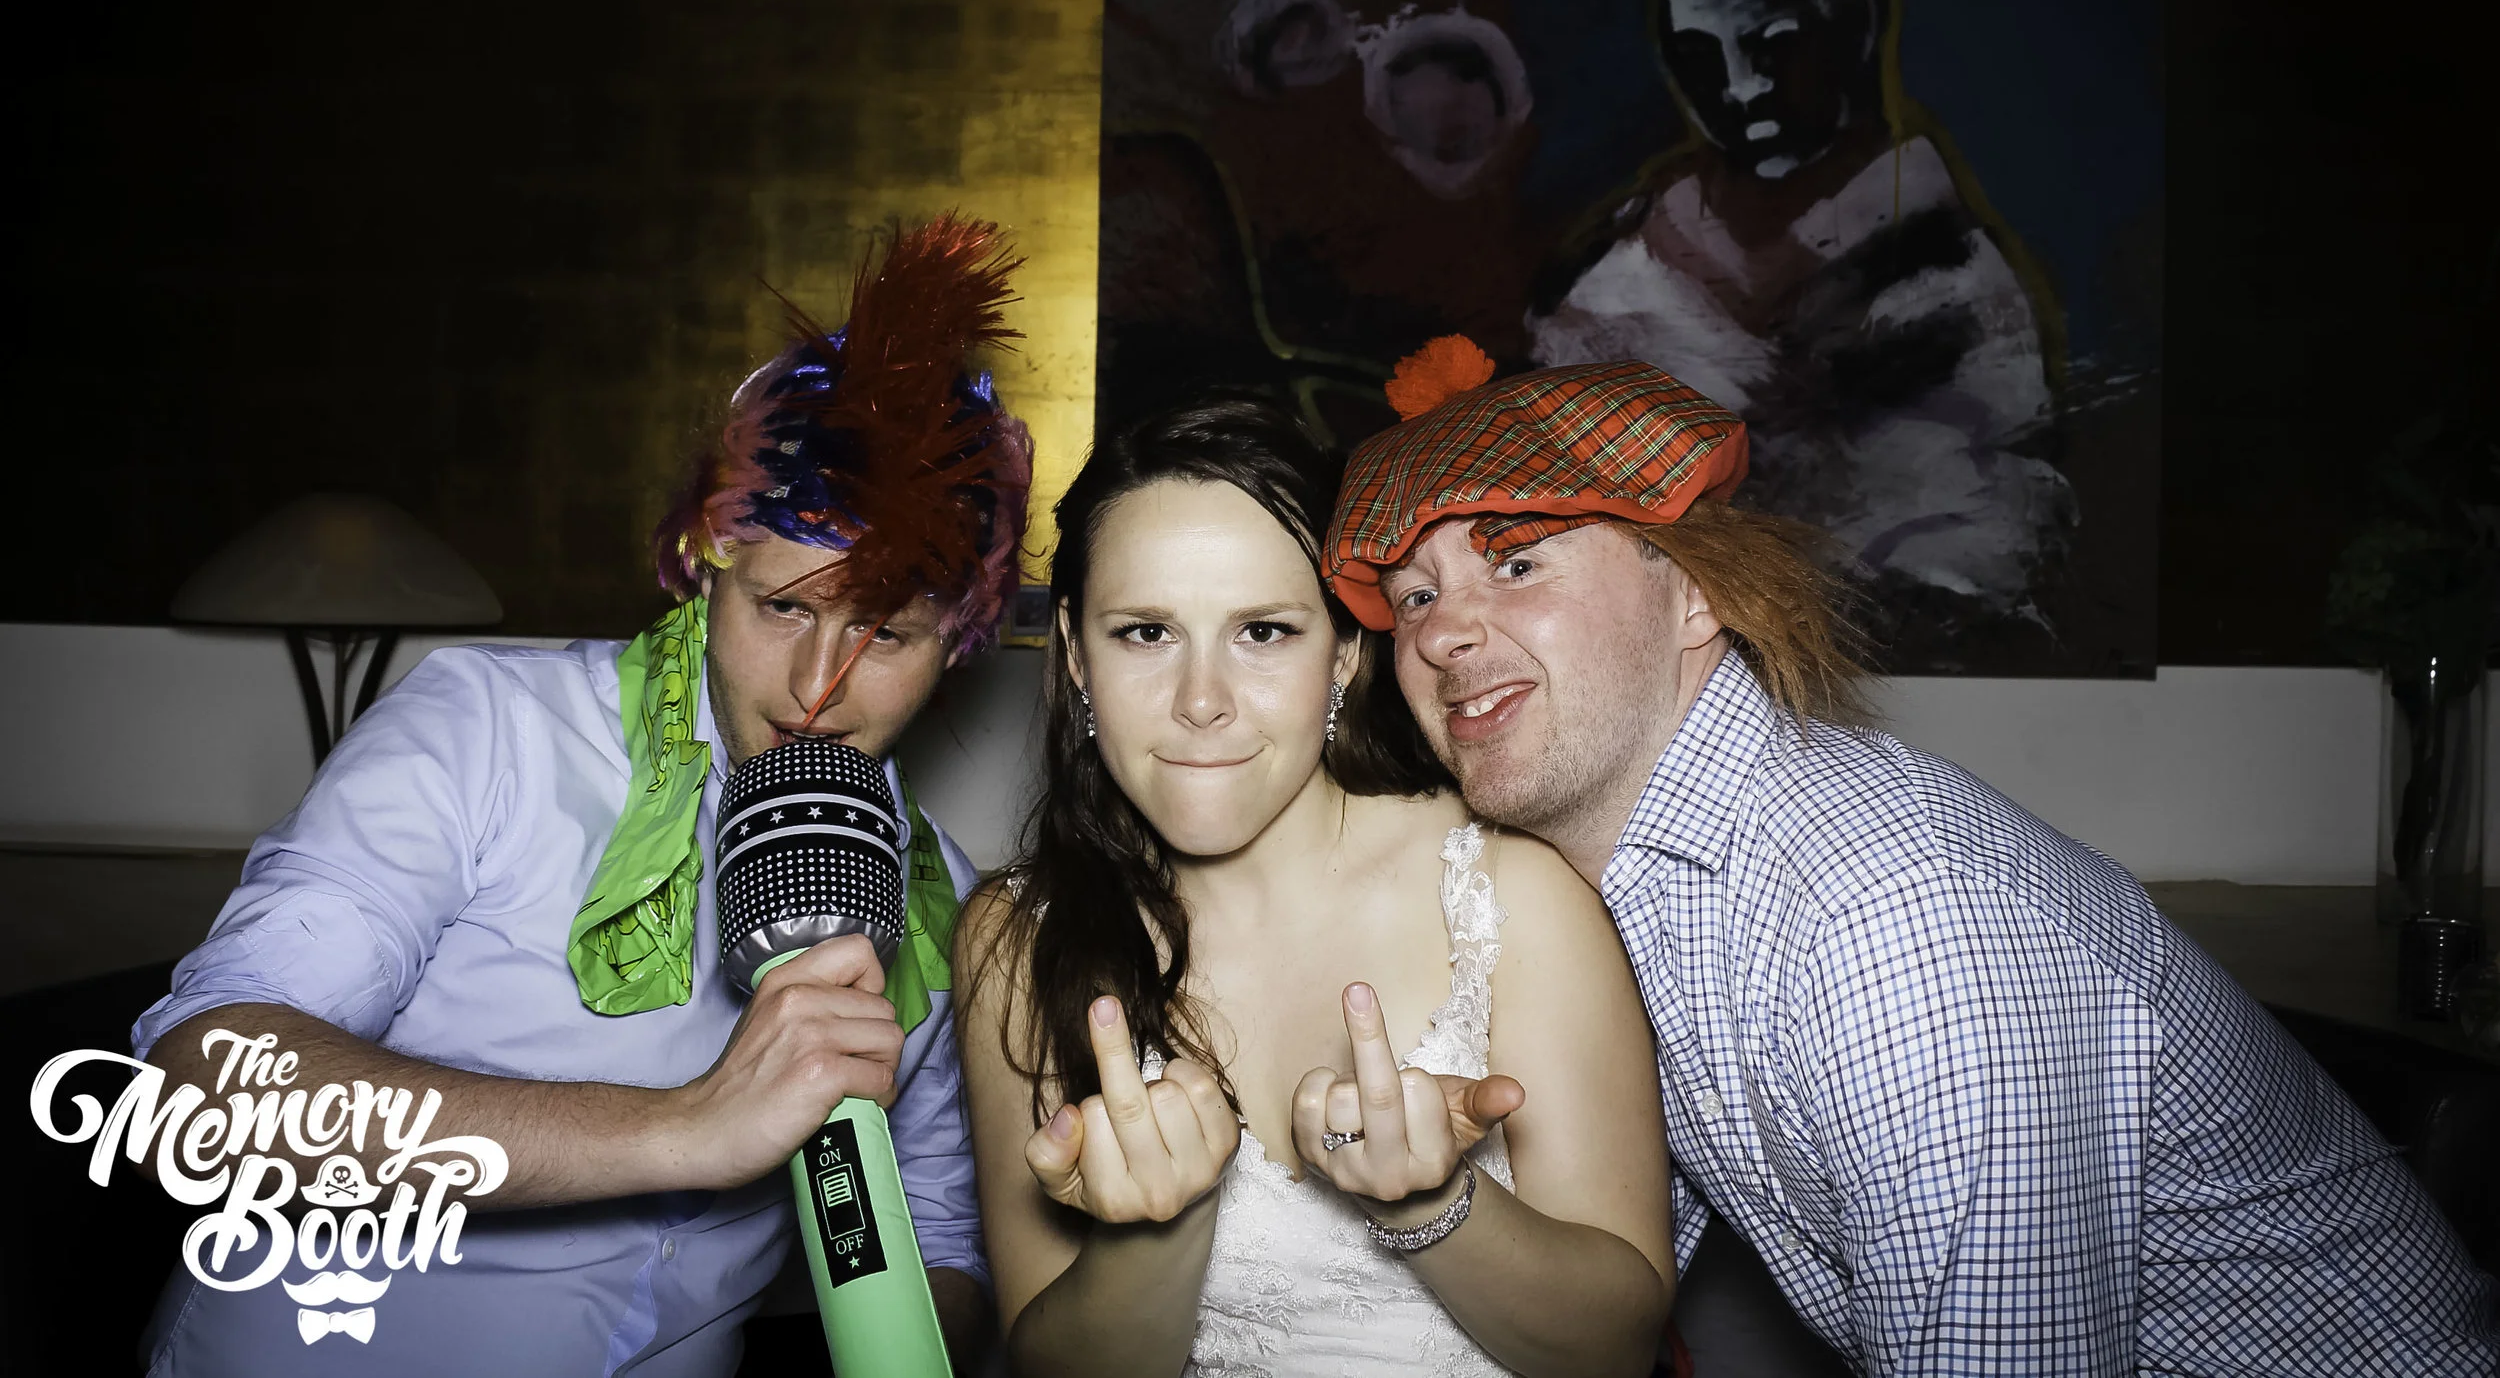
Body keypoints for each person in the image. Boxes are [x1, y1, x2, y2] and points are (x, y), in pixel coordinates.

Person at [1321, 338, 2500, 1375]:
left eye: (1517, 562)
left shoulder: (1891, 912)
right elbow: (1614, 1277)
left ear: (1696, 596)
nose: (1442, 633)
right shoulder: (1635, 888)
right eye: (1412, 596)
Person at [129, 216, 1032, 1376]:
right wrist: (687, 1124)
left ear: (956, 642)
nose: (820, 686)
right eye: (784, 607)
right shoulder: (487, 728)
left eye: (887, 633)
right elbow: (201, 1087)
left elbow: (944, 1239)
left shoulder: (938, 891)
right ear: (707, 569)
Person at [954, 396, 1678, 1377]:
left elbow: (1617, 1346)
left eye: (1262, 630)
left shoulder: (1509, 894)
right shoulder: (1014, 936)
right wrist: (1163, 1225)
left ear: (1343, 650)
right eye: (1146, 633)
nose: (1201, 701)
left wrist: (1431, 1205)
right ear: (1076, 651)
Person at [1528, 0, 2074, 647]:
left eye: (1772, 43)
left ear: (1857, 24)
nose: (1739, 87)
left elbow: (1985, 550)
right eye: (1700, 52)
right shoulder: (1615, 277)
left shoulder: (1949, 285)